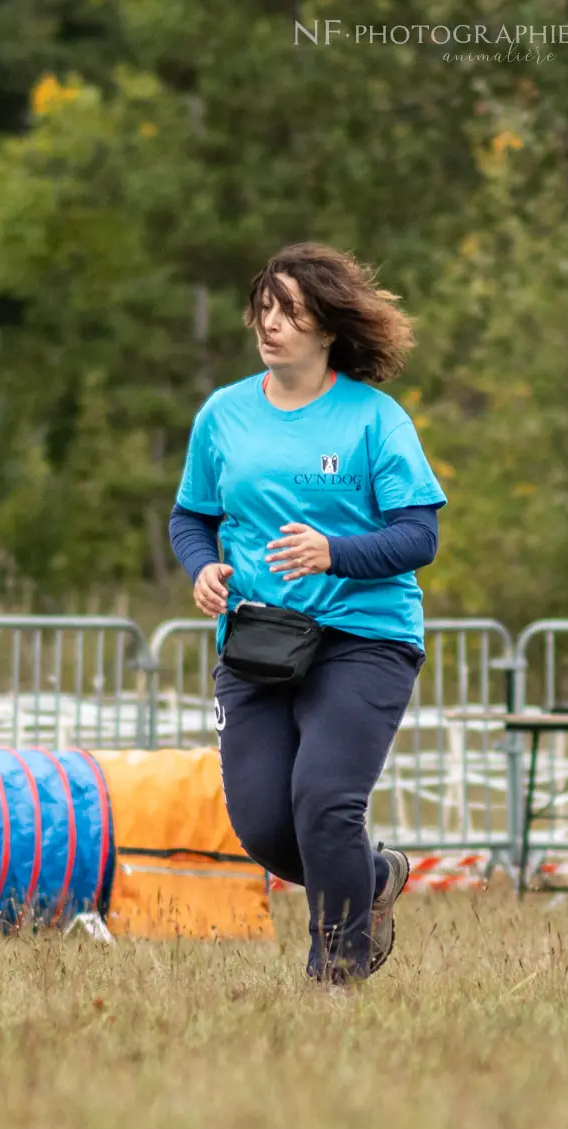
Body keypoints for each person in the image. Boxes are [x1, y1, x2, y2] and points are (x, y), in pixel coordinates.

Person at [167, 242, 446, 985]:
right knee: (263, 825)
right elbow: (190, 516)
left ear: (327, 328)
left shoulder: (374, 419)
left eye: (289, 311)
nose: (271, 323)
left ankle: (335, 975)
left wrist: (334, 551)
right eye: (264, 306)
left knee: (325, 801)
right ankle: (376, 876)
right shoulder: (223, 414)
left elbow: (420, 535)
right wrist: (204, 569)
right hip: (258, 641)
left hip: (363, 637)